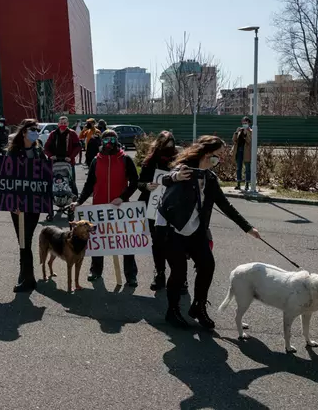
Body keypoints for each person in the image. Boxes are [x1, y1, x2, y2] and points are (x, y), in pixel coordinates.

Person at [158, 135, 261, 329]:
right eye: (217, 155)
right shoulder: (185, 169)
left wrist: (248, 228)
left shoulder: (210, 178)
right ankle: (172, 311)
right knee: (178, 273)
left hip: (197, 231)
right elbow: (167, 178)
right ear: (207, 154)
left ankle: (198, 307)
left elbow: (225, 205)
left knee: (207, 266)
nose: (219, 159)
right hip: (173, 230)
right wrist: (176, 177)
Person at [74, 129, 139, 286]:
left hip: (121, 208)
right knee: (99, 240)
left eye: (112, 140)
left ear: (117, 141)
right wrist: (79, 201)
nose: (109, 143)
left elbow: (134, 182)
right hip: (99, 208)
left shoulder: (125, 159)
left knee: (126, 242)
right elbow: (89, 184)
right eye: (105, 140)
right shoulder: (96, 161)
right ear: (101, 142)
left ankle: (131, 275)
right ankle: (96, 270)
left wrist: (122, 197)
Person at [137, 131, 181, 292]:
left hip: (174, 207)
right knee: (157, 242)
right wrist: (146, 186)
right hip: (153, 208)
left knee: (175, 242)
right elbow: (139, 183)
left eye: (171, 144)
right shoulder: (150, 162)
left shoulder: (179, 161)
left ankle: (180, 277)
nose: (168, 148)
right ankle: (160, 273)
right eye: (165, 145)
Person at [7, 118, 46, 293]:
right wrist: (13, 202)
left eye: (37, 130)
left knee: (26, 240)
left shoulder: (38, 151)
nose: (36, 132)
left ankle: (27, 277)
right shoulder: (14, 152)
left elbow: (45, 174)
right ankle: (26, 275)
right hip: (18, 205)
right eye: (32, 130)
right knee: (23, 241)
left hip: (34, 203)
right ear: (24, 132)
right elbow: (7, 178)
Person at [43, 115, 82, 195]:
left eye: (64, 123)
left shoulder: (72, 133)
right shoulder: (53, 134)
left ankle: (73, 197)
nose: (63, 125)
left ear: (67, 123)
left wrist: (71, 157)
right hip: (55, 162)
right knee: (52, 181)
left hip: (69, 162)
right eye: (61, 123)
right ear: (58, 124)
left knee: (71, 181)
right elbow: (46, 147)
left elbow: (78, 146)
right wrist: (50, 156)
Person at [232, 116, 253, 191]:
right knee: (238, 168)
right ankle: (238, 184)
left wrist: (246, 133)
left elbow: (249, 141)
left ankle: (247, 185)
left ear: (249, 123)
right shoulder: (239, 130)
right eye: (243, 123)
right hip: (239, 151)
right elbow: (234, 140)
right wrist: (236, 132)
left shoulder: (251, 131)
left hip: (246, 152)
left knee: (247, 169)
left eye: (246, 123)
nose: (244, 124)